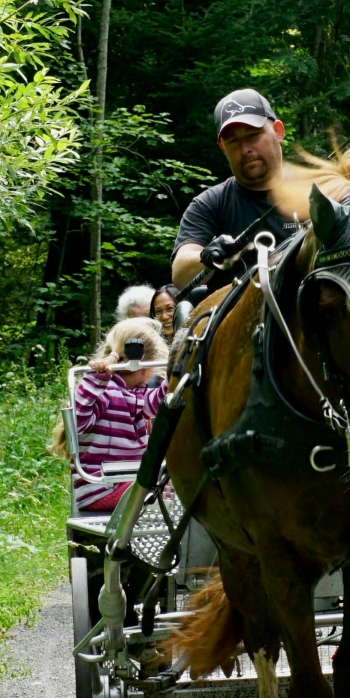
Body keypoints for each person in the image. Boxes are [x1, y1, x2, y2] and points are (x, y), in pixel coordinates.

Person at [172, 88, 299, 287]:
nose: (245, 149)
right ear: (222, 147)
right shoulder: (210, 204)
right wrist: (208, 256)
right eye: (233, 141)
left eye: (253, 135)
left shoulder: (316, 191)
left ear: (278, 131)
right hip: (234, 314)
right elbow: (180, 274)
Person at [59, 317, 170, 512]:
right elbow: (77, 422)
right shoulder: (103, 392)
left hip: (125, 480)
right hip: (100, 488)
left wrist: (174, 379)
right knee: (172, 491)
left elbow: (155, 404)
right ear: (145, 367)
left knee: (175, 484)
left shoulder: (134, 392)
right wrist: (95, 380)